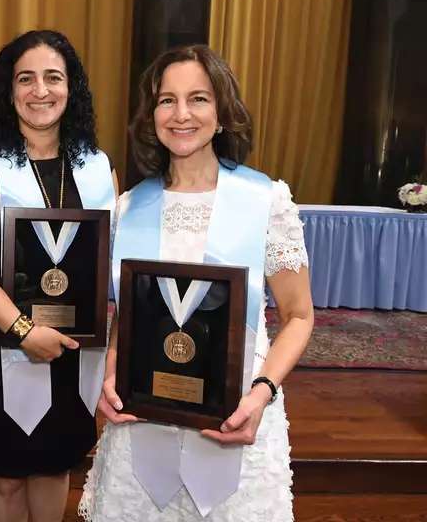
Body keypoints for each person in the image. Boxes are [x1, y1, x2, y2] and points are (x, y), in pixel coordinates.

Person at [79, 44, 314, 522]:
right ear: (152, 115)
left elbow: (298, 316)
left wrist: (262, 392)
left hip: (237, 414)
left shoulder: (265, 200)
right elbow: (129, 317)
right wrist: (111, 372)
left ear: (223, 113)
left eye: (198, 99)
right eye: (167, 100)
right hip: (142, 425)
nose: (181, 114)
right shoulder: (128, 207)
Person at [0, 29, 118, 522]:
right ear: (9, 91)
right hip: (8, 342)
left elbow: (111, 259)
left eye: (53, 78)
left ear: (73, 88)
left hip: (75, 345)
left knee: (54, 468)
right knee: (6, 476)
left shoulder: (96, 167)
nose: (40, 91)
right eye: (26, 79)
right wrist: (22, 330)